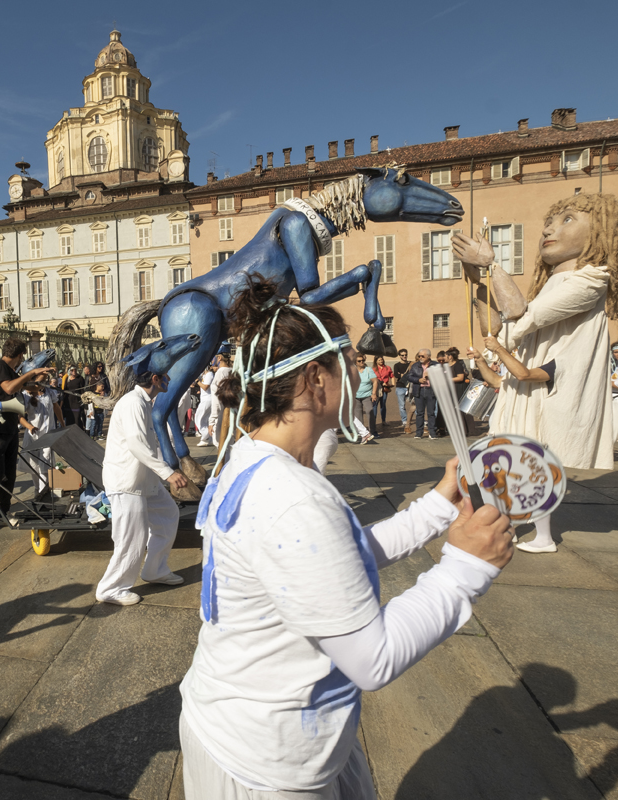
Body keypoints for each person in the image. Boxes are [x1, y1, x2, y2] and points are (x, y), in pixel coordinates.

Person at [180, 276, 512, 799]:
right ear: (315, 378)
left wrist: (437, 504)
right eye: (346, 361)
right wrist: (464, 567)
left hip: (248, 722)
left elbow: (333, 566)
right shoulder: (291, 496)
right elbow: (371, 658)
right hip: (267, 754)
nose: (357, 371)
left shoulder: (250, 458)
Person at [454, 192, 618, 471]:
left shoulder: (592, 279)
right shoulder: (550, 285)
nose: (548, 229)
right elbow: (495, 331)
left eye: (567, 220)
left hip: (546, 398)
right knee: (512, 477)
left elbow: (523, 316)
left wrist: (491, 265)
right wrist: (480, 283)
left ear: (599, 232)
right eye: (550, 222)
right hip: (522, 397)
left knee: (529, 477)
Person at [97, 359, 189, 606]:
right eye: (165, 376)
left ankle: (155, 570)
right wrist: (168, 473)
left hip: (143, 480)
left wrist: (164, 472)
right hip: (127, 481)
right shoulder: (132, 403)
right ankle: (111, 588)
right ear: (156, 380)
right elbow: (138, 445)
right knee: (131, 538)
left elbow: (149, 445)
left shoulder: (144, 403)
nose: (169, 379)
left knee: (168, 515)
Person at [466, 336, 559, 554]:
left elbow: (523, 374)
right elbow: (499, 381)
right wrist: (481, 361)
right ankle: (510, 528)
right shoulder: (518, 359)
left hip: (530, 428)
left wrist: (498, 349)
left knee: (534, 483)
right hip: (507, 425)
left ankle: (545, 538)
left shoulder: (555, 360)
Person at [0, 338, 52, 528]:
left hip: (9, 426)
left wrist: (35, 384)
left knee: (9, 473)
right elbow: (9, 388)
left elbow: (16, 388)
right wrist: (32, 373)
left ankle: (4, 510)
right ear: (20, 355)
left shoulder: (10, 370)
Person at [21, 380, 62, 501]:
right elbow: (20, 416)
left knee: (45, 466)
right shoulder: (25, 395)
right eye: (41, 378)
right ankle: (37, 490)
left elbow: (56, 408)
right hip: (33, 436)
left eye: (45, 378)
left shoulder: (49, 392)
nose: (44, 381)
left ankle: (42, 494)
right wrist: (29, 427)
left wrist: (63, 424)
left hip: (48, 435)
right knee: (33, 466)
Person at [405, 350, 438, 439]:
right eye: (419, 356)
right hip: (419, 391)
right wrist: (418, 380)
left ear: (428, 356)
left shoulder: (435, 365)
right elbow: (409, 376)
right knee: (420, 413)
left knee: (431, 412)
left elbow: (441, 375)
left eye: (422, 356)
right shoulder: (416, 365)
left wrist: (431, 375)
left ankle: (432, 432)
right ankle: (419, 433)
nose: (420, 358)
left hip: (431, 390)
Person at [352, 355, 378, 444]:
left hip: (367, 395)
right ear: (355, 362)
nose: (361, 362)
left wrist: (374, 393)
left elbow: (375, 381)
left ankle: (372, 431)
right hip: (355, 396)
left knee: (370, 411)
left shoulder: (368, 370)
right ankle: (361, 433)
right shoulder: (353, 370)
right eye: (359, 361)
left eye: (362, 360)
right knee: (357, 415)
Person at [445, 347, 471, 435]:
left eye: (446, 355)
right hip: (450, 389)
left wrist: (448, 379)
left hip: (457, 389)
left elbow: (461, 377)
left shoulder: (458, 365)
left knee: (458, 409)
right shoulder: (447, 365)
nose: (445, 357)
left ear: (450, 357)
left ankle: (462, 431)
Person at [370, 354, 393, 436]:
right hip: (377, 389)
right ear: (376, 361)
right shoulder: (373, 369)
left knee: (383, 405)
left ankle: (383, 420)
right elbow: (373, 379)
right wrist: (380, 382)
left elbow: (392, 375)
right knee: (375, 404)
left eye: (382, 359)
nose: (381, 361)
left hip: (384, 389)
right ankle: (374, 421)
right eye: (379, 360)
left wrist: (392, 384)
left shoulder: (387, 368)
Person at [195, 364, 216, 446]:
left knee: (198, 417)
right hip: (206, 399)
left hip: (207, 400)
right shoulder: (205, 375)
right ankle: (209, 438)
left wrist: (197, 381)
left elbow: (205, 387)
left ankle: (205, 436)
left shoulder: (209, 374)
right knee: (205, 420)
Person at [393, 349, 412, 433]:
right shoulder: (396, 365)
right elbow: (396, 375)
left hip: (409, 387)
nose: (404, 356)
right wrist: (402, 374)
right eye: (403, 355)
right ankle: (404, 420)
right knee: (402, 405)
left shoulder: (410, 364)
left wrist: (401, 374)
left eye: (405, 355)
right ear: (399, 356)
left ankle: (419, 418)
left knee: (414, 403)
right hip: (400, 387)